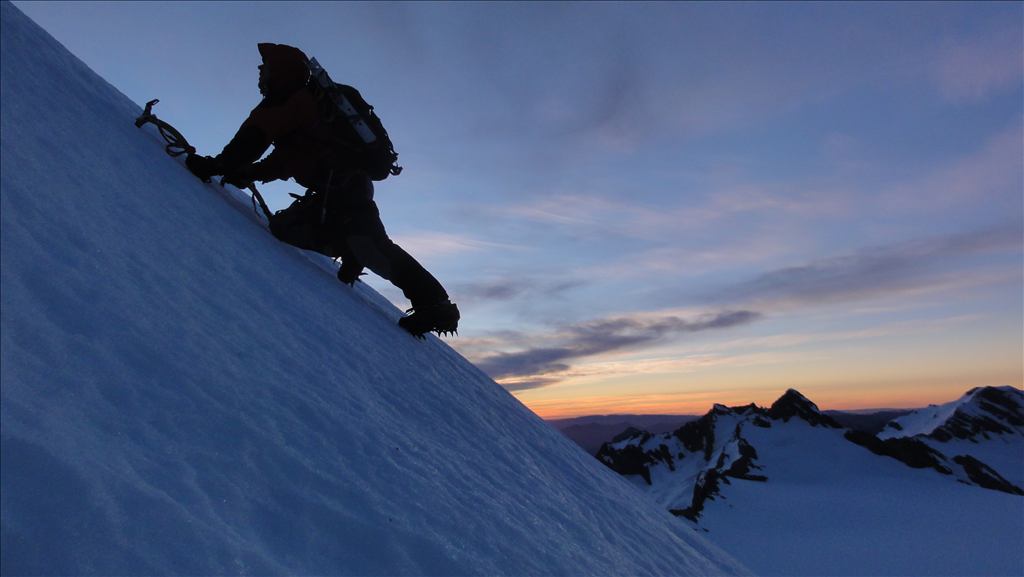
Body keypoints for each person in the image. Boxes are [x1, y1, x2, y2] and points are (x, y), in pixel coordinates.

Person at [185, 43, 459, 338]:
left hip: (343, 192)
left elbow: (250, 142)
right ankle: (353, 249)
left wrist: (217, 166)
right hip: (347, 190)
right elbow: (293, 158)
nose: (260, 75)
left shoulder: (287, 101)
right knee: (290, 229)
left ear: (280, 71)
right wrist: (249, 172)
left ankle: (434, 304)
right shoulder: (310, 107)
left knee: (372, 246)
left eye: (265, 69)